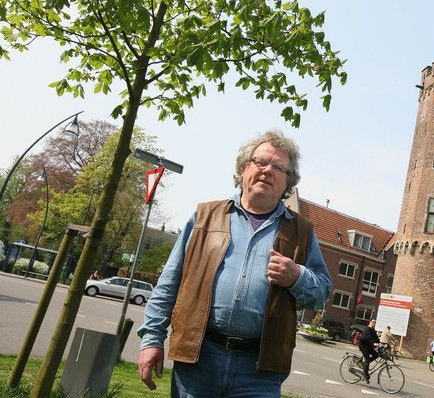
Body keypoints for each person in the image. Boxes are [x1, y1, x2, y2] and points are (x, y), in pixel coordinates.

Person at [136, 130, 332, 397]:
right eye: (260, 162)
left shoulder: (302, 232)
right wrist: (151, 340)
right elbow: (169, 284)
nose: (267, 171)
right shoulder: (204, 217)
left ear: (288, 181)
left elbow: (321, 295)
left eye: (278, 167)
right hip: (198, 360)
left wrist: (298, 277)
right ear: (243, 168)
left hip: (260, 371)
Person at [358, 318, 380, 383]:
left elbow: (376, 338)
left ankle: (365, 364)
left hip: (368, 346)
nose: (374, 323)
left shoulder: (373, 330)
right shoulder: (367, 329)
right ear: (370, 322)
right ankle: (365, 375)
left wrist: (381, 344)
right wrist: (373, 343)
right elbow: (366, 338)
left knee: (376, 355)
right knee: (367, 359)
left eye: (375, 322)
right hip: (363, 346)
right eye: (373, 322)